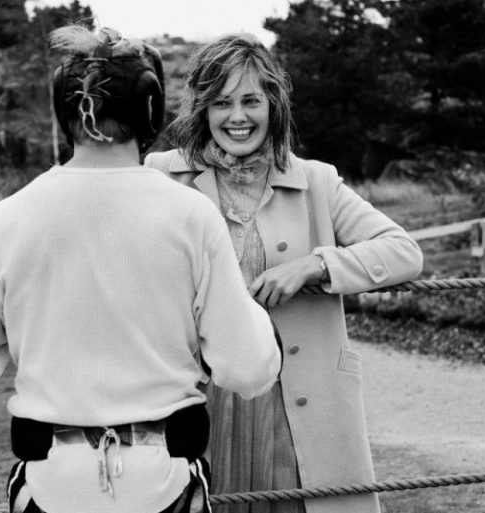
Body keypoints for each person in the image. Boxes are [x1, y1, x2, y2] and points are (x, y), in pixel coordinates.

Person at [0, 26, 281, 513]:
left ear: (63, 109)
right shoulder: (191, 216)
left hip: (47, 487)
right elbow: (248, 370)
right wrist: (262, 327)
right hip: (165, 486)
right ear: (150, 108)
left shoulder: (5, 219)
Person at [144, 33, 423, 513]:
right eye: (222, 102)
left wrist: (315, 264)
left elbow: (404, 251)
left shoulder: (317, 181)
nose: (237, 117)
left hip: (298, 406)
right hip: (200, 401)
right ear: (203, 109)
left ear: (273, 104)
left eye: (251, 100)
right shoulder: (161, 176)